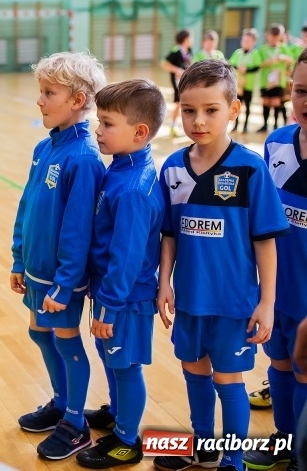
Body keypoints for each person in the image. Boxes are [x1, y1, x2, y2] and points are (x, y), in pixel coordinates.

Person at [155, 59, 289, 471]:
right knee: (193, 370)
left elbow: (265, 242)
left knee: (228, 380)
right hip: (190, 300)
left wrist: (267, 302)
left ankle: (233, 459)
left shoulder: (250, 169)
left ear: (233, 110)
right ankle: (204, 444)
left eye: (211, 110)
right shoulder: (174, 168)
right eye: (190, 109)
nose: (199, 120)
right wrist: (165, 282)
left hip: (233, 302)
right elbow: (170, 234)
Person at [11, 52, 106, 460]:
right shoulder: (43, 147)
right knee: (39, 332)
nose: (40, 100)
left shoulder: (83, 158)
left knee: (67, 341)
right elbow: (27, 205)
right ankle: (60, 400)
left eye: (49, 93)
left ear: (78, 99)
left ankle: (75, 422)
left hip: (61, 278)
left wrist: (67, 284)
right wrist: (18, 257)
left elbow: (78, 230)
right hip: (35, 267)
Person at [75, 79, 166, 468]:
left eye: (108, 123)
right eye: (99, 121)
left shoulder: (133, 187)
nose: (98, 130)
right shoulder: (122, 169)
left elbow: (127, 257)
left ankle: (128, 439)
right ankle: (116, 413)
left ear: (139, 132)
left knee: (125, 365)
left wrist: (109, 306)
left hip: (126, 298)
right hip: (111, 293)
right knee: (110, 357)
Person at [242, 47, 307, 471]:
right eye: (301, 90)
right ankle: (284, 441)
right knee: (279, 366)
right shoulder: (277, 142)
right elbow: (262, 223)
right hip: (277, 292)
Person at [258, 24, 295, 133]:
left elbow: (291, 60)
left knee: (276, 103)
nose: (274, 39)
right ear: (267, 36)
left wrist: (282, 58)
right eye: (272, 36)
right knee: (265, 102)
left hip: (279, 80)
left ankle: (275, 125)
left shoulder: (283, 48)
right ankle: (265, 125)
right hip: (265, 81)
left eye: (276, 37)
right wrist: (269, 62)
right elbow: (258, 64)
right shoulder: (263, 49)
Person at [229, 28, 263, 134]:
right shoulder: (238, 53)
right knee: (237, 105)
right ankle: (236, 124)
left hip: (249, 85)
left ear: (253, 42)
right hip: (238, 85)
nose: (245, 43)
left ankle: (245, 125)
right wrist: (238, 68)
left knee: (248, 105)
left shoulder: (255, 54)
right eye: (243, 40)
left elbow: (257, 67)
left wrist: (247, 69)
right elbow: (231, 64)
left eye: (248, 41)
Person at [161, 29, 193, 137]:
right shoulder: (176, 50)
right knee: (179, 102)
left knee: (183, 102)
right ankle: (174, 124)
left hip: (186, 80)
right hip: (177, 80)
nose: (192, 40)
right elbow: (164, 63)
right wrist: (177, 70)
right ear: (185, 39)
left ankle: (178, 124)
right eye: (190, 37)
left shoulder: (189, 51)